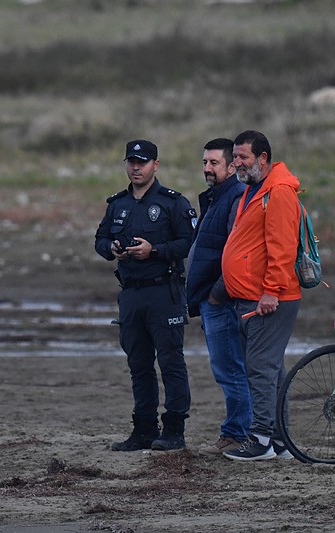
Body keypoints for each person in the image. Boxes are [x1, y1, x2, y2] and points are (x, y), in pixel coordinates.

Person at [95, 139, 197, 452]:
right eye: (131, 162)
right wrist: (111, 249)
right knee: (138, 364)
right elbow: (100, 238)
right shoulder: (118, 203)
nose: (136, 168)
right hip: (131, 295)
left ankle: (174, 430)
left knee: (171, 361)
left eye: (142, 162)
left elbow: (187, 242)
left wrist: (154, 251)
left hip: (164, 292)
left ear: (156, 165)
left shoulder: (172, 202)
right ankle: (143, 430)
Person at [221, 130, 300, 461]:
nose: (237, 163)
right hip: (252, 298)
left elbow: (282, 249)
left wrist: (270, 291)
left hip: (270, 299)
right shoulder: (256, 189)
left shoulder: (278, 192)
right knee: (270, 368)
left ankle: (262, 439)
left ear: (263, 158)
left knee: (259, 367)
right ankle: (280, 442)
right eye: (235, 157)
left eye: (243, 157)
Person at [186, 138, 252, 455]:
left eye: (214, 163)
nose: (207, 169)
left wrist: (215, 294)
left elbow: (239, 254)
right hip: (213, 299)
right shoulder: (217, 197)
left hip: (223, 302)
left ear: (230, 165)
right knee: (232, 369)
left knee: (230, 370)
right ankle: (254, 432)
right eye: (204, 163)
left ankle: (237, 434)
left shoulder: (236, 197)